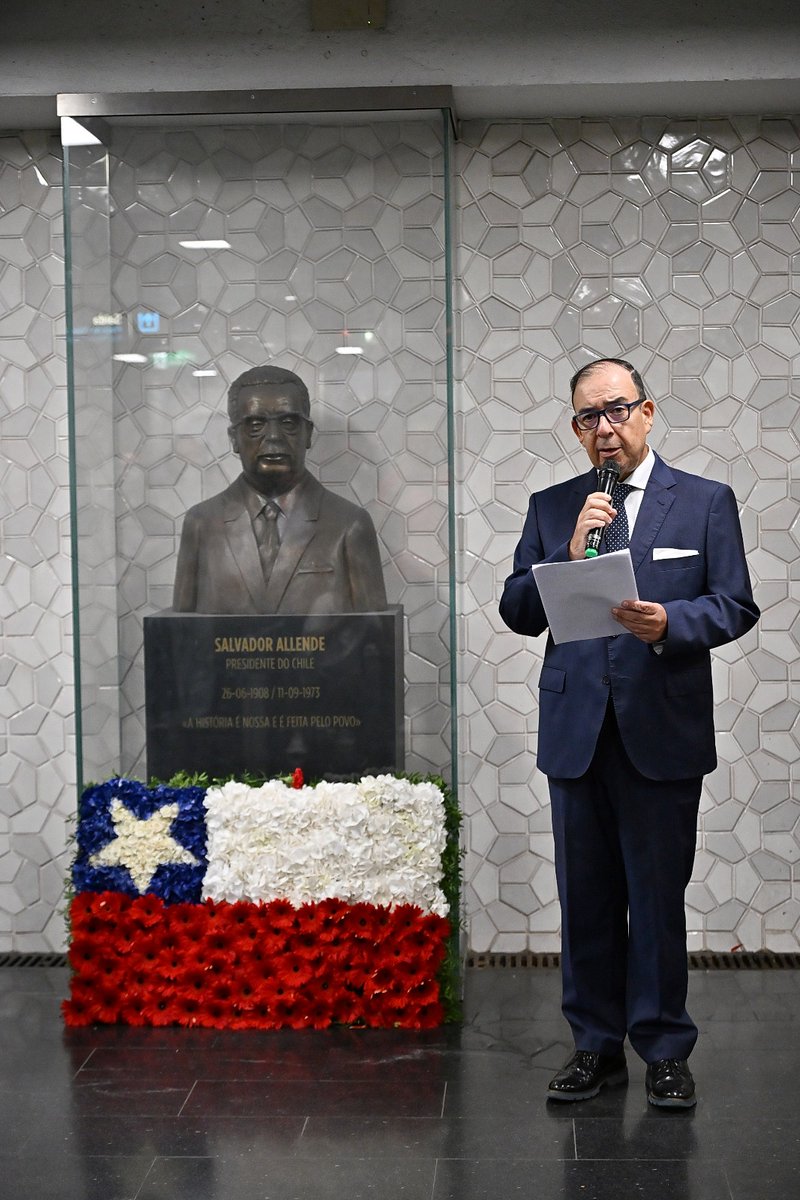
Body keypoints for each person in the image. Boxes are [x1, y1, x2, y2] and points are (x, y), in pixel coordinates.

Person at [499, 357, 759, 1108]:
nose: (604, 429)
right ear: (575, 429)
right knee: (585, 900)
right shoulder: (555, 506)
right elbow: (519, 609)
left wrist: (672, 622)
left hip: (661, 727)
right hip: (578, 728)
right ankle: (593, 1047)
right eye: (588, 417)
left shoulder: (705, 502)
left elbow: (734, 604)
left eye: (616, 411)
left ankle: (665, 1050)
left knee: (656, 897)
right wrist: (566, 546)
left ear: (647, 413)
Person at [172, 365, 387, 614]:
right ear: (234, 438)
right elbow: (179, 637)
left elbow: (375, 639)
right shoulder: (202, 525)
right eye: (255, 424)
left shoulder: (350, 525)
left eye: (288, 423)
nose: (273, 436)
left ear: (308, 434)